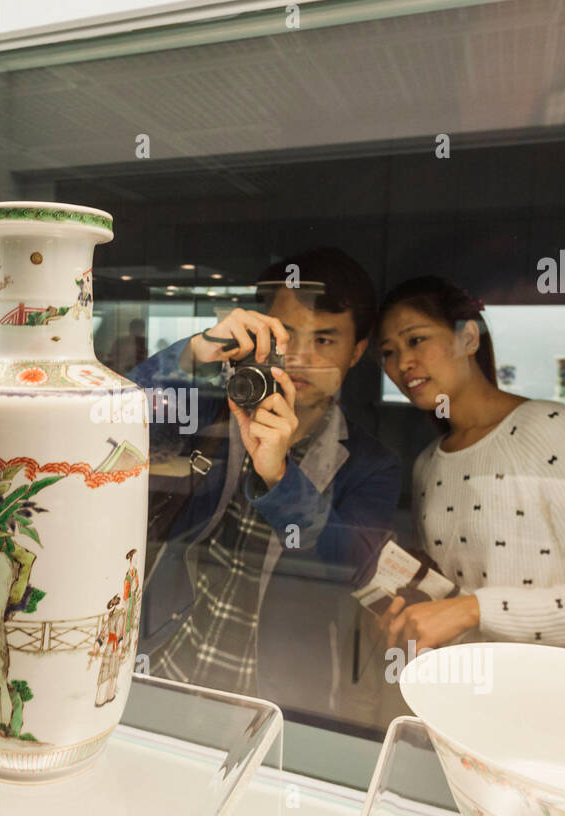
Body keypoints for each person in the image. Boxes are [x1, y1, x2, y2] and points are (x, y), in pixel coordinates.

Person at [130, 248, 401, 702]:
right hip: (170, 655)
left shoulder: (372, 464)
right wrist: (195, 353)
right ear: (260, 332)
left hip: (280, 693)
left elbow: (350, 566)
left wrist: (279, 479)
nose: (299, 358)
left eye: (325, 341)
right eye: (286, 335)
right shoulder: (219, 414)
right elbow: (110, 419)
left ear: (355, 353)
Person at [372, 276, 565, 661]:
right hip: (466, 690)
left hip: (551, 700)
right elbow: (458, 596)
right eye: (388, 352)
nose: (401, 364)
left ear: (469, 338)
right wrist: (418, 599)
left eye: (415, 340)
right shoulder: (429, 463)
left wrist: (472, 608)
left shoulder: (547, 427)